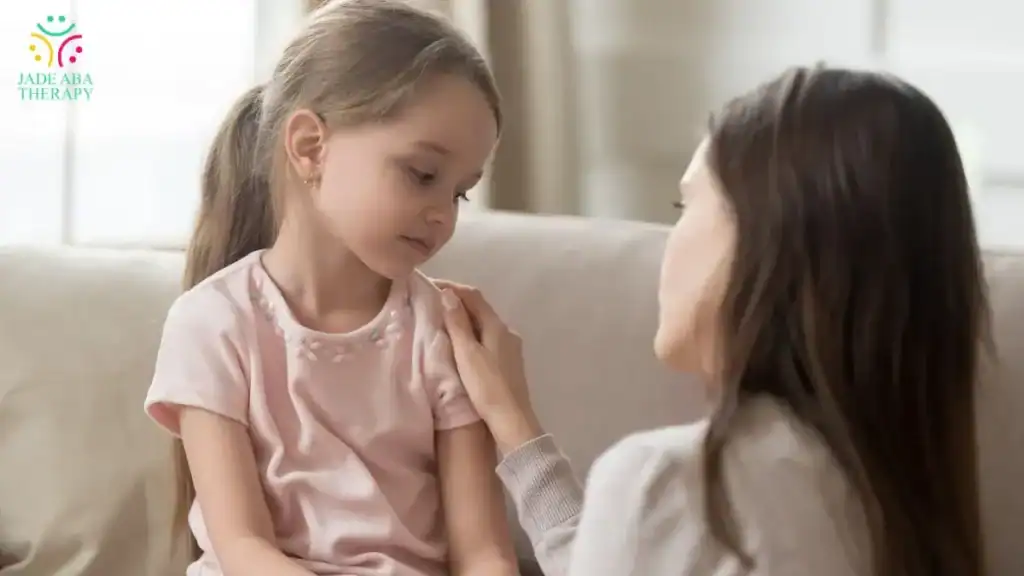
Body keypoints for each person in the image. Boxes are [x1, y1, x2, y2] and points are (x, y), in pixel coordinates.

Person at [438, 65, 989, 576]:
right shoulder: (896, 500)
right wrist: (515, 427)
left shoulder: (672, 483)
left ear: (764, 241)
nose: (668, 244)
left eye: (685, 207)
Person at [142, 1, 518, 575]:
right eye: (422, 175)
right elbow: (244, 550)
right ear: (310, 146)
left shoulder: (442, 330)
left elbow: (482, 552)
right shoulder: (211, 323)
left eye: (461, 192)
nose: (443, 214)